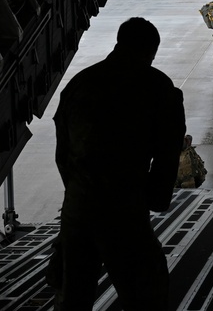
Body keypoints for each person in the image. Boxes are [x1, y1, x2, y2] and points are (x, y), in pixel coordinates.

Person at [52, 18, 185, 310]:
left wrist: (79, 190)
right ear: (151, 50)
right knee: (146, 294)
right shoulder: (158, 87)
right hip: (123, 206)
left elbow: (63, 153)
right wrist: (156, 197)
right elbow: (167, 152)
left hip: (78, 208)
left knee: (73, 295)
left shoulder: (80, 83)